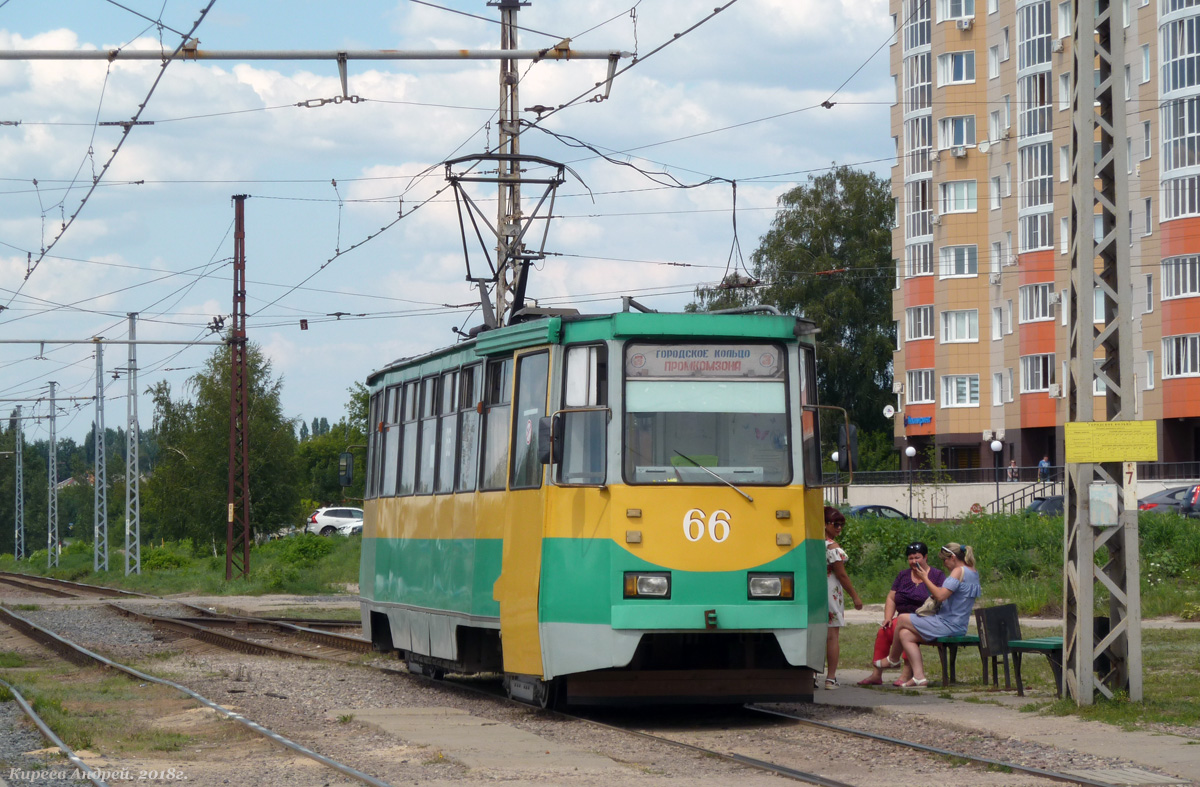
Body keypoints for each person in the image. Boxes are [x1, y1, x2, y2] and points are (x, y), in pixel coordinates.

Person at [881, 542, 981, 688]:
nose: (944, 564)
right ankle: (919, 677)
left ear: (953, 557)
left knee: (902, 618)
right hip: (959, 625)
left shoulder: (958, 571)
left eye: (944, 560)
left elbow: (941, 596)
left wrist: (925, 577)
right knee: (905, 634)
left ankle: (893, 659)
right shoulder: (973, 571)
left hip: (948, 624)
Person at [857, 542, 946, 686]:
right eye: (911, 558)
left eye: (917, 558)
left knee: (905, 631)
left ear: (925, 557)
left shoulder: (937, 575)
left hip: (925, 619)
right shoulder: (903, 575)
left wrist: (925, 579)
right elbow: (891, 598)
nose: (914, 561)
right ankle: (876, 674)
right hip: (902, 617)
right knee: (884, 631)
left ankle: (906, 673)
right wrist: (887, 617)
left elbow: (941, 596)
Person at [824, 506, 863, 689]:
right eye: (836, 524)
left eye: (841, 524)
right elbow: (841, 575)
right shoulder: (832, 547)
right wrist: (855, 597)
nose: (839, 528)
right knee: (832, 636)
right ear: (825, 524)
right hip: (830, 591)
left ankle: (812, 676)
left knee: (815, 634)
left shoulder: (810, 543)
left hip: (813, 590)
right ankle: (831, 678)